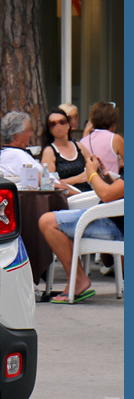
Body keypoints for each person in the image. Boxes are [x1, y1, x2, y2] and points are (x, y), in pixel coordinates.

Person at [39, 153, 123, 303]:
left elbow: (107, 195)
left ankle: (78, 280)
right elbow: (119, 191)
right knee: (54, 223)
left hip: (116, 224)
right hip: (113, 218)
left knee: (47, 222)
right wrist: (105, 177)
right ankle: (77, 278)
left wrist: (91, 174)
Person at [40, 108, 92, 193]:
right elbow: (49, 183)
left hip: (88, 193)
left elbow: (94, 167)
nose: (58, 126)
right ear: (49, 129)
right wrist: (76, 179)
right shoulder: (50, 151)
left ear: (68, 125)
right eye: (53, 124)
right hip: (67, 196)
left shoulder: (79, 146)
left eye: (62, 122)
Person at [80, 101, 124, 176]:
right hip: (110, 184)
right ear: (113, 121)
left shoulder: (83, 140)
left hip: (91, 183)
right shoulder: (115, 139)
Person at [0, 110, 35, 179]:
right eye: (28, 131)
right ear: (17, 136)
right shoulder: (16, 155)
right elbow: (40, 179)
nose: (31, 134)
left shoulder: (9, 153)